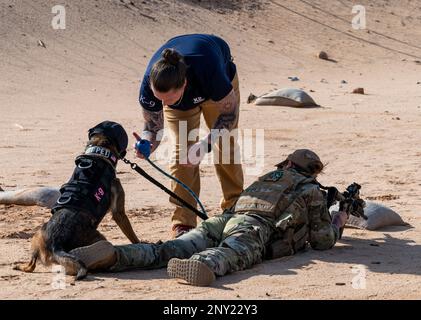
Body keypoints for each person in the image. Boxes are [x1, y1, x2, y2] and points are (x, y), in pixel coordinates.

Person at [71, 149, 349, 286]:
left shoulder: (268, 178)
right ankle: (204, 264)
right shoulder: (310, 188)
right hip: (252, 227)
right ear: (311, 172)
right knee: (231, 253)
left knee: (169, 248)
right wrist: (340, 221)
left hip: (221, 220)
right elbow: (322, 241)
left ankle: (115, 257)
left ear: (288, 163)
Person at [133, 34, 244, 238]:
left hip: (215, 94)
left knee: (225, 146)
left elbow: (228, 116)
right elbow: (153, 126)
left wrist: (204, 145)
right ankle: (184, 221)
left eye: (169, 99)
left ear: (184, 84)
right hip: (184, 104)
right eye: (160, 99)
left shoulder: (209, 72)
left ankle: (234, 207)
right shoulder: (150, 87)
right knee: (181, 153)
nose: (164, 105)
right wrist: (147, 142)